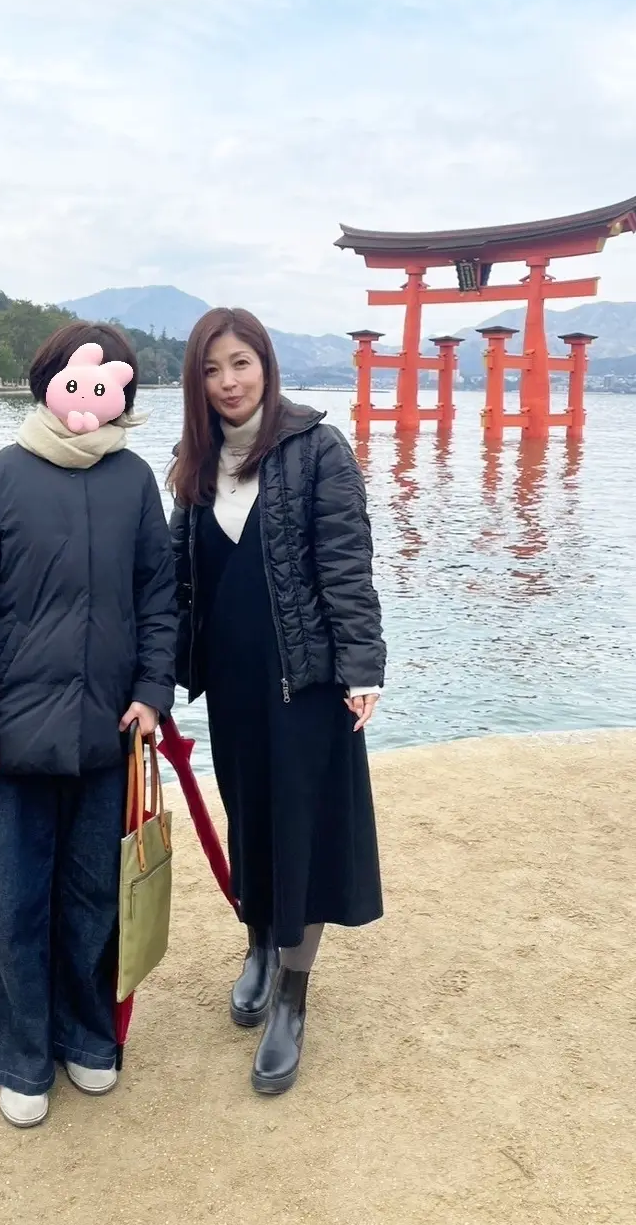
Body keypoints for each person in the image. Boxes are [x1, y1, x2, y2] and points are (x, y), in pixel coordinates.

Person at [0, 322, 176, 1129]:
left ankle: (87, 1037)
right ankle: (21, 1057)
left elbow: (159, 597)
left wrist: (152, 691)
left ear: (121, 396)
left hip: (109, 733)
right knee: (19, 903)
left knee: (95, 895)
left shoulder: (133, 479)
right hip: (11, 740)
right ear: (48, 383)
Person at [169, 307, 384, 1096]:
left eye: (240, 364)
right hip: (231, 683)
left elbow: (347, 565)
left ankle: (292, 995)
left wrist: (363, 668)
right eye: (211, 369)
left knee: (302, 830)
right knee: (250, 817)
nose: (228, 382)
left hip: (306, 682)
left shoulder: (317, 449)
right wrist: (156, 677)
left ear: (266, 364)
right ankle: (258, 943)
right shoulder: (195, 462)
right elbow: (177, 580)